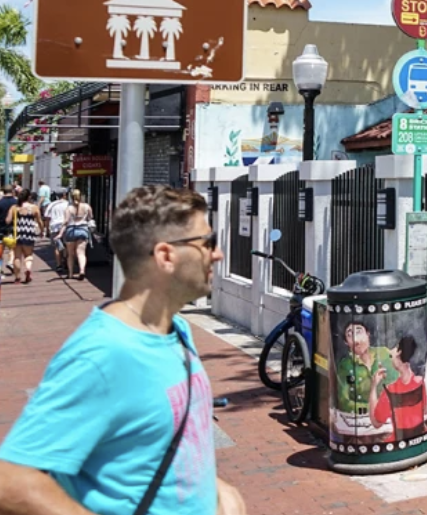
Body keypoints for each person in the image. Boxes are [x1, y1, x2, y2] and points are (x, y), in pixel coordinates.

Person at [0, 185, 246, 515]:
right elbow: (12, 479)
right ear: (166, 255)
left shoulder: (176, 329)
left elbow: (163, 448)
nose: (217, 255)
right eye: (207, 243)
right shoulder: (103, 353)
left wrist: (215, 491)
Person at [370, 334, 427, 443]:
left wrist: (373, 386)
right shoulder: (420, 382)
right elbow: (424, 410)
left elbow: (376, 422)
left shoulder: (390, 390)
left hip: (397, 443)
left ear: (399, 352)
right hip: (418, 440)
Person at [8, 189, 41, 285]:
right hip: (29, 234)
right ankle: (28, 269)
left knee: (17, 257)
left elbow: (8, 220)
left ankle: (17, 278)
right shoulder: (34, 208)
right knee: (29, 256)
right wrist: (42, 230)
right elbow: (39, 221)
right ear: (29, 197)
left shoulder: (15, 208)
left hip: (17, 234)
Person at [64, 189, 95, 281]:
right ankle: (82, 270)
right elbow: (90, 217)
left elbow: (66, 220)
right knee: (81, 253)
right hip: (83, 230)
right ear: (81, 196)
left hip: (70, 230)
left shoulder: (69, 208)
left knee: (70, 254)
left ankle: (70, 274)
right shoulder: (86, 206)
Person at [45, 188, 71, 277]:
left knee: (57, 247)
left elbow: (47, 217)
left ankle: (58, 265)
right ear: (64, 195)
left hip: (54, 227)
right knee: (67, 245)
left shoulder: (51, 205)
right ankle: (67, 262)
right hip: (66, 226)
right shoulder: (68, 204)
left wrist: (47, 229)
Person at [0, 185, 17, 280]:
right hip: (12, 229)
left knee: (0, 252)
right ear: (12, 191)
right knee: (13, 248)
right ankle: (10, 262)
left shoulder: (0, 202)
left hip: (0, 229)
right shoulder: (16, 202)